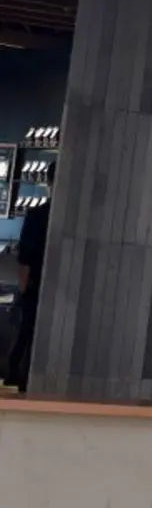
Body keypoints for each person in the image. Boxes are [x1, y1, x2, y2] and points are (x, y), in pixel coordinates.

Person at [6, 162, 53, 392]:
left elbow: (24, 255)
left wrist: (24, 286)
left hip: (34, 282)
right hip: (50, 284)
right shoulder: (58, 216)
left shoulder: (36, 215)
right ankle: (22, 374)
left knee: (26, 329)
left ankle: (16, 374)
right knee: (32, 331)